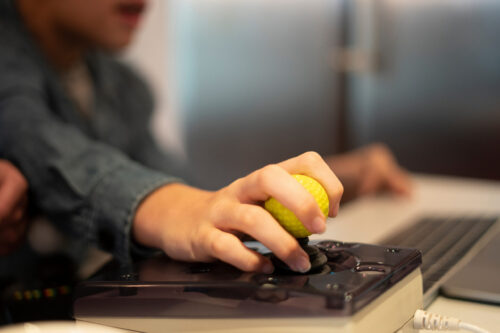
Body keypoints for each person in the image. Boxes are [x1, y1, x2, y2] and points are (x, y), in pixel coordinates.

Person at [0, 0, 410, 276]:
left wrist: (333, 177)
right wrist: (178, 210)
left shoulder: (121, 84)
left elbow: (191, 193)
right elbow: (43, 143)